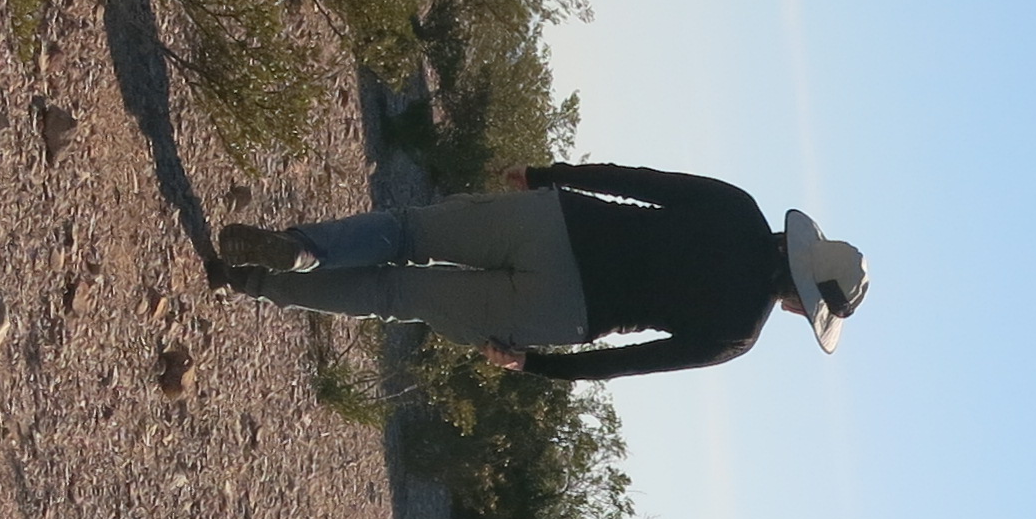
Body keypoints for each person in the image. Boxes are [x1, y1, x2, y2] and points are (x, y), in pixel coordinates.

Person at [214, 164, 865, 379]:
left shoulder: (737, 208)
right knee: (395, 295)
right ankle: (256, 282)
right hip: (561, 311)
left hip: (559, 224)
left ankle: (305, 247)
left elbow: (638, 183)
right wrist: (537, 366)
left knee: (411, 230)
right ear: (796, 300)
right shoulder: (737, 333)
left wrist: (550, 176)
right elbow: (629, 364)